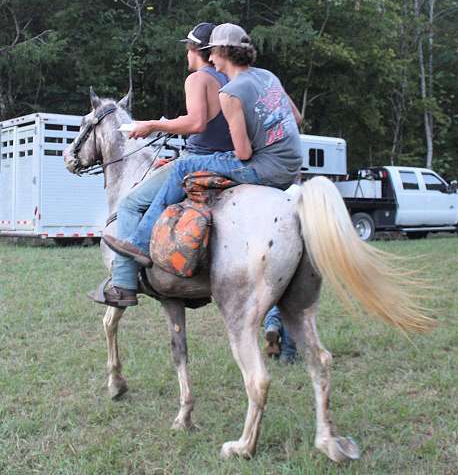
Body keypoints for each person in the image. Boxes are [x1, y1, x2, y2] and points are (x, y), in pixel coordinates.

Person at [103, 23, 303, 301]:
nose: (211, 60)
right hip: (292, 167)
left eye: (213, 53)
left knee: (149, 191)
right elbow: (297, 119)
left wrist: (153, 126)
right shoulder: (265, 76)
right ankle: (273, 323)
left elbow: (231, 146)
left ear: (218, 52)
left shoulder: (222, 87)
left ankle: (129, 267)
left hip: (256, 165)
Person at [90, 22, 234, 307]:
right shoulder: (230, 80)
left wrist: (152, 125)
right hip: (226, 161)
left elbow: (196, 122)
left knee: (130, 204)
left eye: (187, 48)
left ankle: (123, 284)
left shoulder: (197, 79)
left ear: (194, 50)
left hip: (197, 162)